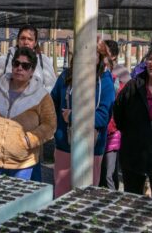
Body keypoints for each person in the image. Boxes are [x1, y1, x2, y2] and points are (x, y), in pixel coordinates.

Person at [0, 24, 57, 181]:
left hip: (31, 127)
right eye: (22, 38)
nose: (26, 42)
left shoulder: (43, 61)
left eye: (30, 39)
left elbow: (52, 87)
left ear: (36, 42)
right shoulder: (6, 59)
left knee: (29, 180)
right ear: (17, 40)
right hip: (1, 131)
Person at [51, 39, 115, 198]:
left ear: (100, 57)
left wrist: (73, 116)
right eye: (83, 51)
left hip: (91, 147)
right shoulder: (65, 76)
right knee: (61, 194)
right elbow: (52, 104)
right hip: (65, 145)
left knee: (86, 197)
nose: (86, 56)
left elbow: (102, 117)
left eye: (92, 53)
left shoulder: (105, 82)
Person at [114, 41, 152, 200]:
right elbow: (118, 115)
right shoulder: (134, 86)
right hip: (133, 157)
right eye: (150, 58)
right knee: (131, 200)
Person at [99, 40, 130, 190]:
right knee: (99, 171)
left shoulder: (122, 74)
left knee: (109, 174)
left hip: (113, 131)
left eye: (106, 54)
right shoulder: (96, 72)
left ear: (115, 56)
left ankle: (113, 199)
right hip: (98, 130)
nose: (102, 57)